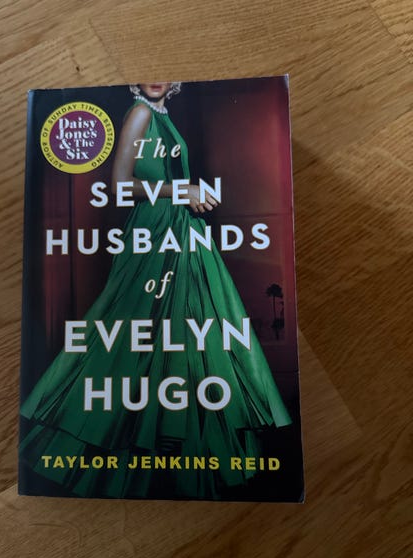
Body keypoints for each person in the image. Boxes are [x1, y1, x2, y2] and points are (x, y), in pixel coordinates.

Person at [19, 82, 291, 499]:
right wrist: (182, 190)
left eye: (165, 74)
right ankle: (93, 429)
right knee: (133, 327)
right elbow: (119, 184)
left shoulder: (162, 115)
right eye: (148, 74)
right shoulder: (141, 113)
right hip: (155, 230)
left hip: (178, 228)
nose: (156, 80)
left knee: (185, 332)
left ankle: (174, 450)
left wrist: (189, 194)